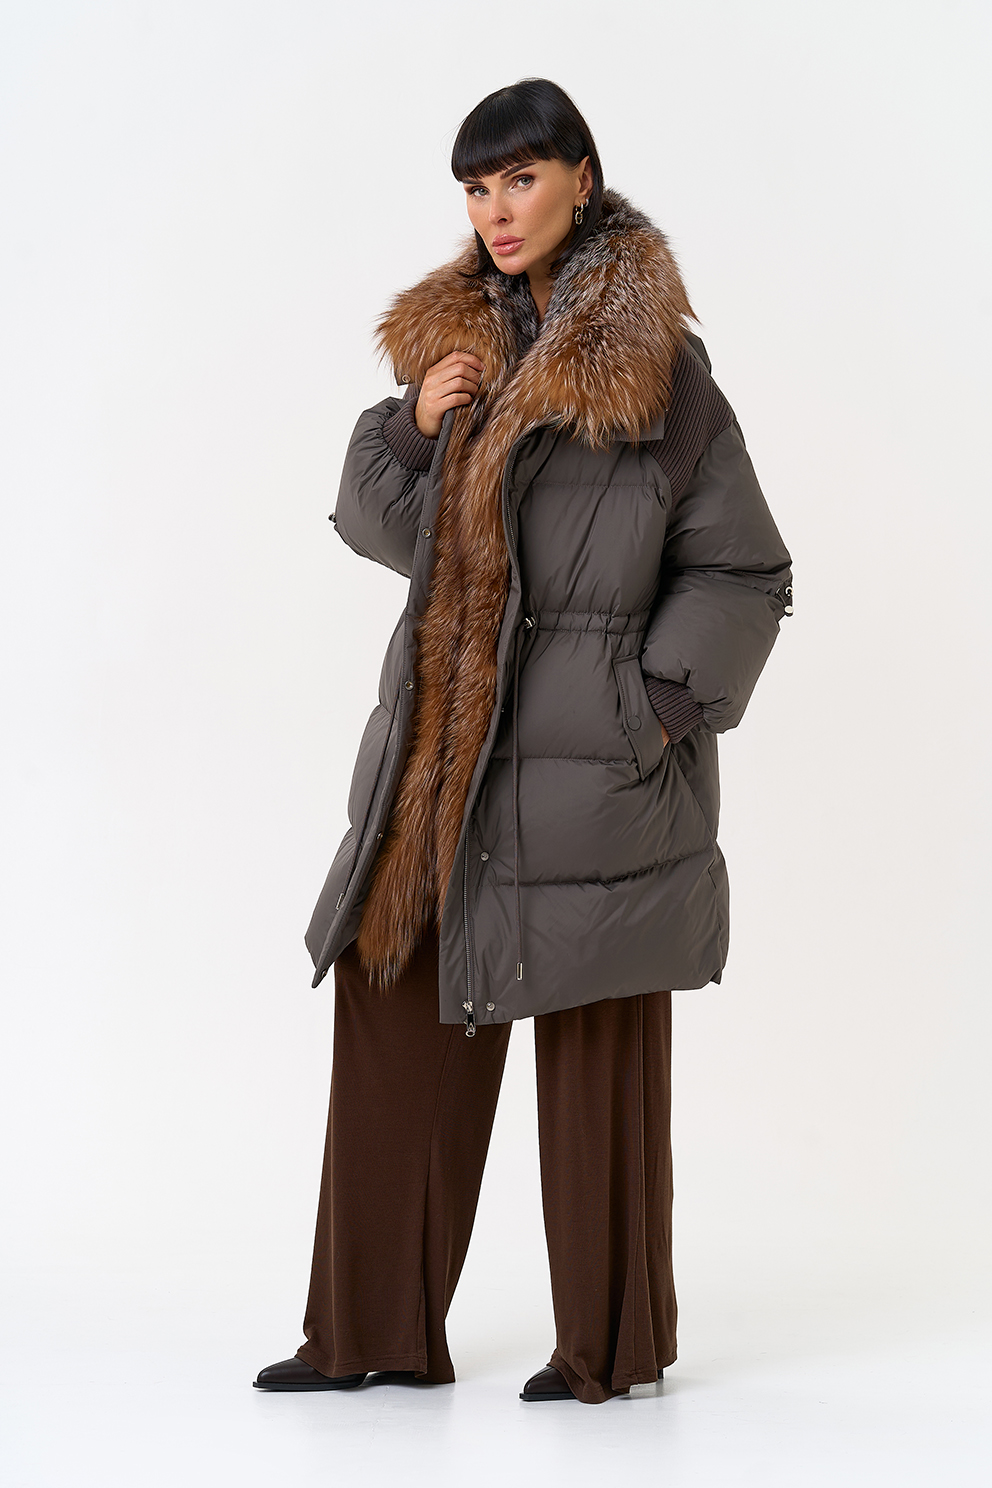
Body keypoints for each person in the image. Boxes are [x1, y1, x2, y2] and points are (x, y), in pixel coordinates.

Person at [254, 77, 793, 1406]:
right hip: (442, 756)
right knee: (393, 1000)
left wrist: (652, 713)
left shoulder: (659, 370)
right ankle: (370, 1332)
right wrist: (415, 424)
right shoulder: (462, 347)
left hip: (595, 772)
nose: (496, 211)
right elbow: (382, 527)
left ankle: (608, 1351)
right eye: (476, 188)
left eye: (521, 179)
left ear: (581, 179)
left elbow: (744, 568)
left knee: (598, 1058)